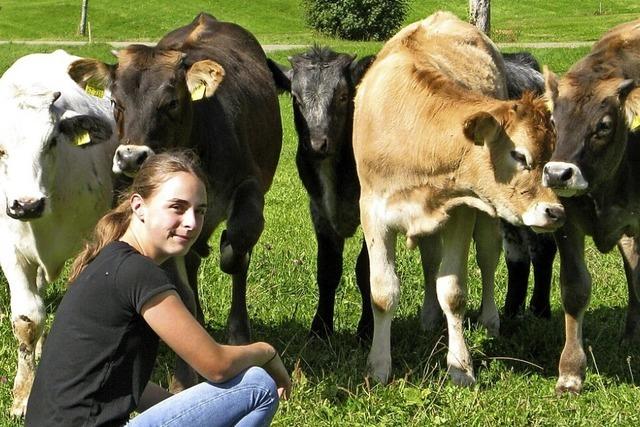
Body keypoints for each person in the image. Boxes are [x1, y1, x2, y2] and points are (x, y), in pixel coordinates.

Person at [25, 151, 291, 426]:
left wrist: (194, 410)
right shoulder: (138, 272)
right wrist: (266, 351)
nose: (191, 222)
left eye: (199, 211)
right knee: (257, 385)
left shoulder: (109, 260)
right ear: (139, 206)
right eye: (177, 207)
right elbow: (216, 365)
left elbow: (127, 386)